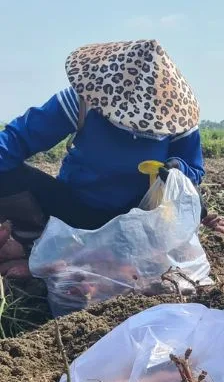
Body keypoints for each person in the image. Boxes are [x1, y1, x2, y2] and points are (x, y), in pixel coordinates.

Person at [0, 39, 205, 276]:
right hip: (71, 211)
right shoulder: (85, 100)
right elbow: (18, 139)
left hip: (135, 224)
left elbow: (194, 171)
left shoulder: (175, 119)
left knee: (196, 203)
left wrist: (178, 169)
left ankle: (75, 259)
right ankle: (35, 244)